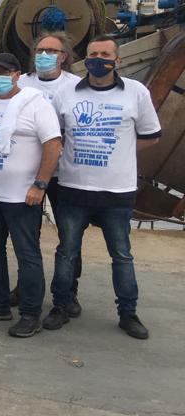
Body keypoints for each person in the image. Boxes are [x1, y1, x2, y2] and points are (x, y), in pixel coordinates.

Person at [43, 36, 161, 340]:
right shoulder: (67, 93)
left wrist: (120, 151)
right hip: (73, 188)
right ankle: (61, 305)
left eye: (105, 54)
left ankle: (128, 313)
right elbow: (54, 136)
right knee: (67, 252)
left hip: (116, 192)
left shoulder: (136, 92)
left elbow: (151, 136)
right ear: (86, 59)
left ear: (117, 60)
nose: (98, 59)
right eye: (93, 53)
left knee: (121, 254)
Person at [0, 53, 62, 338]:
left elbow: (53, 145)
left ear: (17, 75)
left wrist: (40, 185)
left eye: (4, 72)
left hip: (22, 197)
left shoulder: (36, 105)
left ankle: (31, 314)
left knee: (27, 255)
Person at [18, 28, 83, 313]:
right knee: (25, 234)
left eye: (51, 51)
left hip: (63, 174)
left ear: (63, 57)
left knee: (69, 236)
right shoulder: (21, 83)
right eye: (40, 50)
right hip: (27, 173)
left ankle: (69, 291)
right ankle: (26, 286)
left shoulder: (76, 86)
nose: (44, 55)